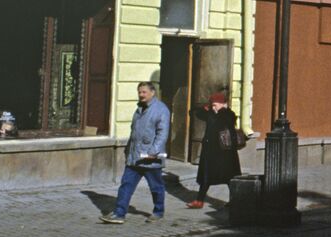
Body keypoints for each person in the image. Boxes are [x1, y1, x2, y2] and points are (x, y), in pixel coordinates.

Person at [101, 82, 171, 223]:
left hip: (151, 157)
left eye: (144, 92)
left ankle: (158, 212)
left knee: (156, 187)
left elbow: (162, 133)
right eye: (139, 92)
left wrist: (153, 151)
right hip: (135, 157)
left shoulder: (161, 110)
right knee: (126, 184)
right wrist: (128, 150)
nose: (141, 95)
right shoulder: (139, 108)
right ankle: (119, 214)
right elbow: (134, 132)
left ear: (152, 92)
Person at [188, 91, 241, 209]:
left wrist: (219, 111)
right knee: (206, 177)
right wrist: (204, 107)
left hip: (225, 153)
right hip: (211, 152)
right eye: (212, 104)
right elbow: (192, 113)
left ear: (222, 103)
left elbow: (223, 122)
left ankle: (236, 201)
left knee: (229, 178)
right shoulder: (211, 113)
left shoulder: (229, 114)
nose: (213, 106)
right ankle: (199, 201)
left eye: (215, 103)